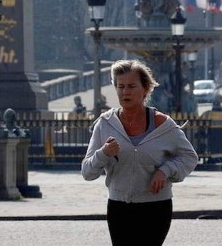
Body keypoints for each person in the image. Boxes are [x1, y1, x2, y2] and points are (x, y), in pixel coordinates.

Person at [81, 59, 198, 246]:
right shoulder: (105, 123)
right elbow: (87, 172)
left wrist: (165, 171)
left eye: (131, 86)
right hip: (119, 207)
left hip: (156, 207)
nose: (125, 92)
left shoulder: (163, 124)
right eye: (120, 86)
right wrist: (103, 153)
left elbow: (190, 157)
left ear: (145, 89)